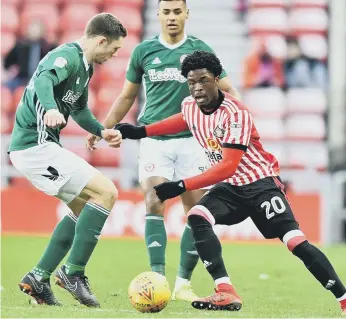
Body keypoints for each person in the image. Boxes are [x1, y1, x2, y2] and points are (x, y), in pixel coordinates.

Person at [113, 50, 346, 314]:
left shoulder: (236, 113)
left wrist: (180, 185)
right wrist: (141, 131)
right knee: (197, 216)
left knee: (294, 241)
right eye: (192, 83)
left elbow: (227, 166)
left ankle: (344, 298)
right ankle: (225, 291)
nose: (197, 88)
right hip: (231, 189)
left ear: (215, 79)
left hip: (260, 183)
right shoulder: (190, 105)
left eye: (203, 80)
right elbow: (183, 120)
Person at [86, 0, 240, 301]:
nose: (171, 17)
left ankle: (182, 282)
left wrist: (231, 125)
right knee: (154, 198)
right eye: (166, 12)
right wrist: (104, 127)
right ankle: (158, 277)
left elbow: (229, 91)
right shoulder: (144, 51)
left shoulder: (201, 51)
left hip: (194, 141)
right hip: (155, 140)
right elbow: (128, 95)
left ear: (186, 14)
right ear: (158, 15)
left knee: (197, 211)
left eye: (177, 11)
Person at [9, 13, 127, 307]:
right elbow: (45, 80)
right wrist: (49, 108)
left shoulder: (85, 67)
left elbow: (80, 109)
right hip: (34, 147)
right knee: (107, 192)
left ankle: (38, 277)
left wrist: (101, 131)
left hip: (41, 146)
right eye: (113, 49)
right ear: (100, 40)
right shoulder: (66, 56)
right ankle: (73, 272)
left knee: (83, 207)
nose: (114, 55)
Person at [4, 20, 57, 92]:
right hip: (22, 78)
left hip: (42, 78)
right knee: (6, 87)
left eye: (37, 30)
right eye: (32, 29)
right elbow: (8, 62)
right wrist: (12, 69)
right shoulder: (20, 45)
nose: (34, 32)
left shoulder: (49, 47)